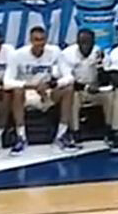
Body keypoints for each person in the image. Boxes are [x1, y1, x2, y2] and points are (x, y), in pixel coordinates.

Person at [5, 25, 75, 153]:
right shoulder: (17, 54)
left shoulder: (55, 51)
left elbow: (69, 77)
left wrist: (52, 84)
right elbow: (7, 82)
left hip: (47, 91)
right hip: (28, 92)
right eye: (36, 40)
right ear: (30, 40)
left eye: (42, 40)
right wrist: (31, 86)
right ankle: (21, 137)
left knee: (68, 89)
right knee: (17, 91)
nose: (40, 43)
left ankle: (61, 135)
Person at [60, 27, 111, 141]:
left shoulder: (99, 52)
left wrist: (100, 67)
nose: (85, 46)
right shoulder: (67, 54)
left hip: (95, 89)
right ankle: (75, 131)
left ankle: (110, 129)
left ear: (93, 42)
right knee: (72, 97)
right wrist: (86, 87)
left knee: (110, 96)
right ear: (77, 42)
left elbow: (106, 80)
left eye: (88, 43)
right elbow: (68, 79)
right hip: (77, 89)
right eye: (82, 42)